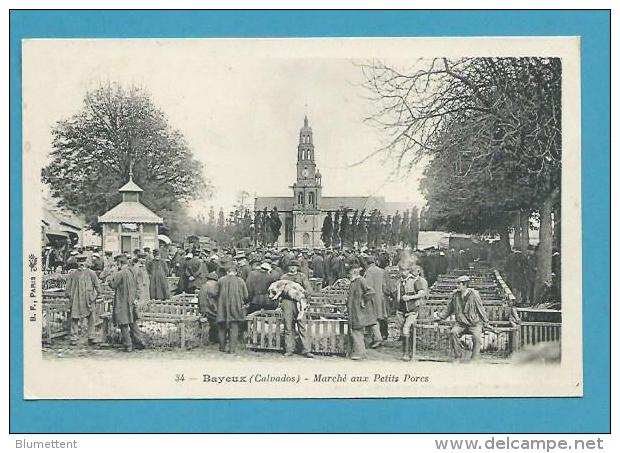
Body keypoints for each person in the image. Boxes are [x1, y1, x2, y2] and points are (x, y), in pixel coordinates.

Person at [435, 275, 490, 361]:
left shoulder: (474, 294)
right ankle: (458, 356)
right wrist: (441, 317)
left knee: (476, 337)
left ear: (465, 285)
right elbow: (449, 309)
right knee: (453, 332)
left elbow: (481, 308)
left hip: (474, 323)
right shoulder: (455, 295)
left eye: (459, 284)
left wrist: (486, 321)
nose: (457, 286)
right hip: (461, 323)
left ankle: (474, 359)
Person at [108, 255, 146, 352]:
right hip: (131, 301)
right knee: (133, 322)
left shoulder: (119, 273)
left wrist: (111, 276)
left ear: (119, 263)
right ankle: (140, 341)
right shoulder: (131, 272)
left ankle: (128, 345)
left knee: (123, 323)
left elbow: (112, 285)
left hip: (122, 302)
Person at [279, 260, 314, 358]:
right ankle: (289, 349)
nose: (293, 267)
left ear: (297, 267)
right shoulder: (284, 277)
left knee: (302, 326)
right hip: (287, 302)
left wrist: (304, 295)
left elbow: (308, 289)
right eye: (291, 266)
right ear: (288, 267)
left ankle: (306, 350)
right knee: (288, 326)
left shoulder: (302, 276)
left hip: (299, 302)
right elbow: (279, 291)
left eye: (295, 266)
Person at [65, 255, 101, 346]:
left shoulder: (91, 273)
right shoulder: (72, 274)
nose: (82, 263)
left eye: (83, 261)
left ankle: (91, 337)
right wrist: (71, 297)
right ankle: (73, 338)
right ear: (77, 262)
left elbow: (98, 288)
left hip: (88, 300)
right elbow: (67, 288)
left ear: (86, 262)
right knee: (74, 318)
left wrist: (93, 297)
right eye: (80, 261)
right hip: (76, 300)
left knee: (91, 318)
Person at [347, 266, 382, 360]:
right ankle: (357, 351)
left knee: (357, 330)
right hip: (354, 310)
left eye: (350, 273)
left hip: (359, 311)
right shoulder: (354, 282)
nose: (348, 275)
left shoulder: (361, 280)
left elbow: (371, 291)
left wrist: (363, 300)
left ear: (354, 273)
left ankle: (360, 353)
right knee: (356, 330)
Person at [397, 265, 428, 361]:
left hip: (412, 310)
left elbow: (422, 293)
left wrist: (410, 297)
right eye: (401, 270)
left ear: (408, 271)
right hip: (401, 310)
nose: (403, 272)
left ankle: (406, 354)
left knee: (406, 328)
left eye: (405, 270)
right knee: (403, 330)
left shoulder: (414, 281)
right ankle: (408, 350)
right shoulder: (399, 282)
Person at [216, 264, 248, 354]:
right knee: (234, 327)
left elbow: (215, 292)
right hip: (236, 307)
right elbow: (246, 295)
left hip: (222, 307)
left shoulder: (221, 280)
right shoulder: (240, 281)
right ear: (236, 272)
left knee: (222, 327)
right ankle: (232, 349)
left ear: (227, 272)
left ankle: (222, 347)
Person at [363, 256, 391, 340]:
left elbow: (368, 286)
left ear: (367, 263)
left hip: (372, 298)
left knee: (372, 318)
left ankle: (375, 337)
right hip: (380, 297)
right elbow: (385, 285)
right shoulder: (381, 271)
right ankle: (382, 334)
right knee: (381, 316)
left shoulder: (369, 271)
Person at [198, 272, 220, 344]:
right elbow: (215, 295)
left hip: (203, 307)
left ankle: (211, 338)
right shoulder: (213, 286)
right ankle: (214, 339)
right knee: (216, 322)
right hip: (210, 308)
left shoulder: (203, 286)